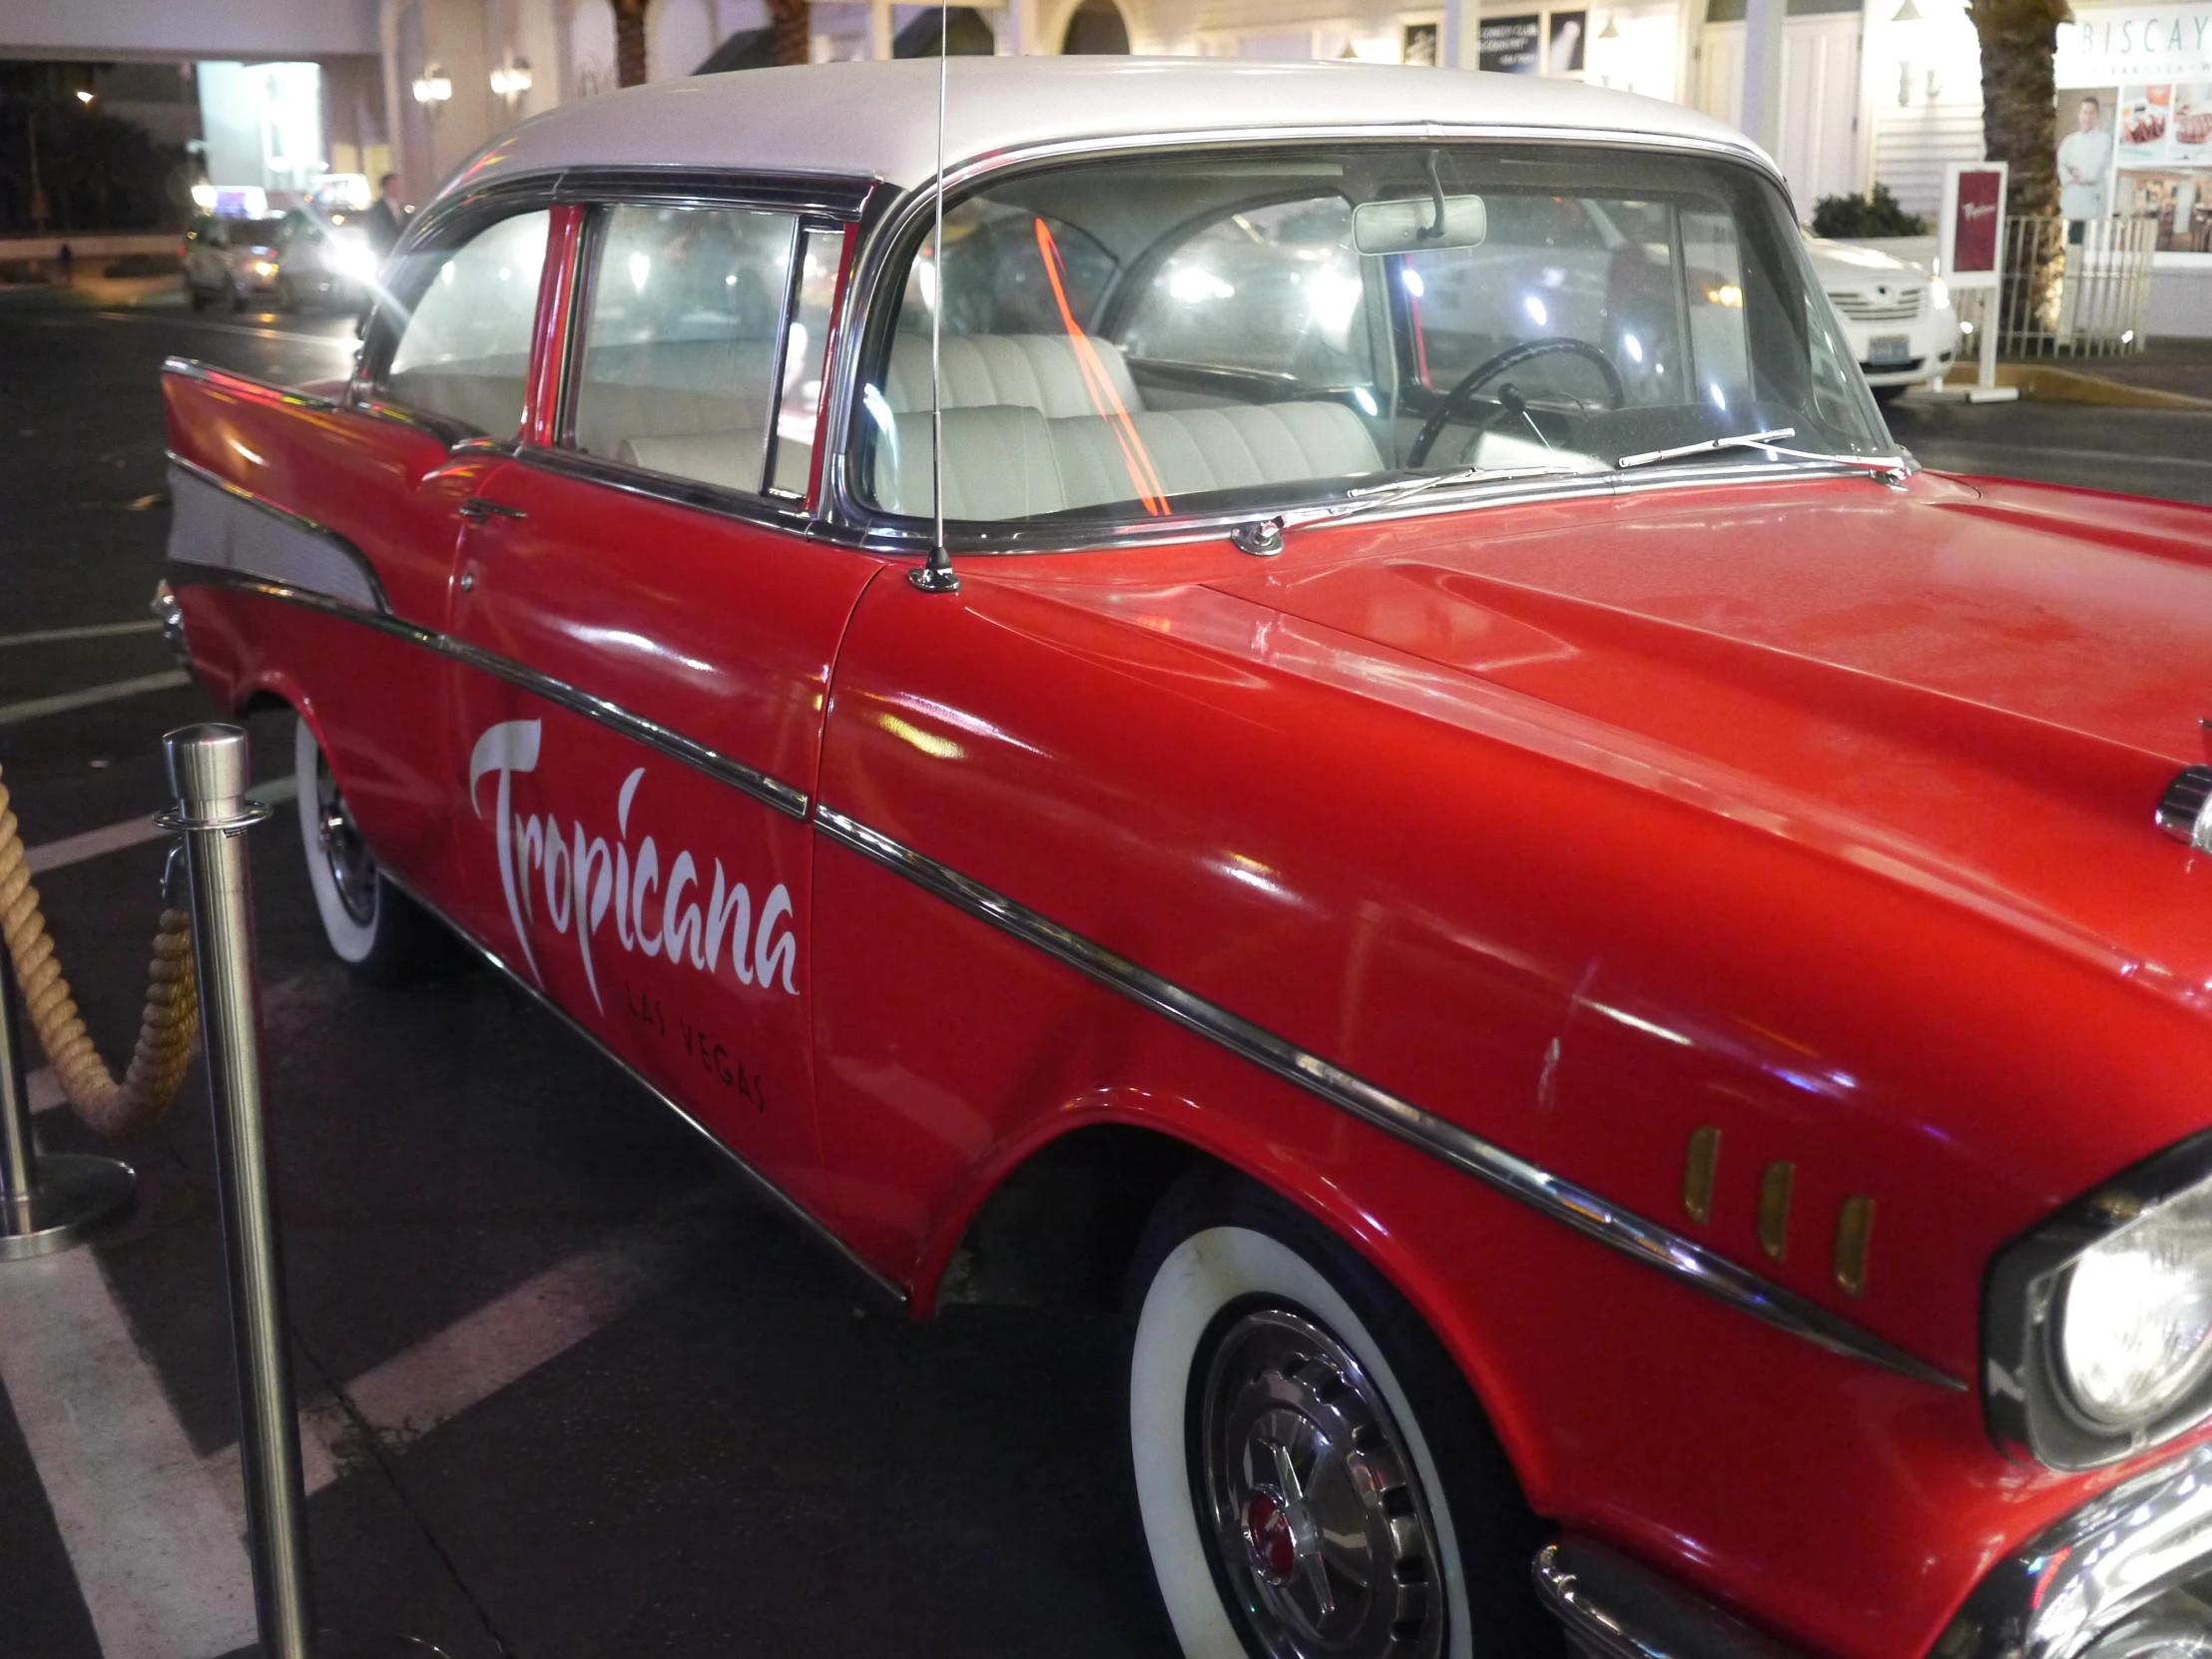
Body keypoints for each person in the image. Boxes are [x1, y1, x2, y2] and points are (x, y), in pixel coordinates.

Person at [2058, 96, 2112, 223]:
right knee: (2074, 240)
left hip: (2093, 202)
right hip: (2072, 200)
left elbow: (2096, 169)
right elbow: (2062, 166)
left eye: (2091, 113)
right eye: (2084, 113)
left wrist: (2081, 176)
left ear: (2097, 117)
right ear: (2079, 115)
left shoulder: (2104, 140)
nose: (2087, 118)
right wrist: (2071, 177)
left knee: (2092, 239)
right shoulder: (2069, 141)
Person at [364, 173, 409, 259]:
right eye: (393, 185)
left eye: (398, 185)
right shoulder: (377, 209)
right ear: (384, 188)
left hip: (401, 252)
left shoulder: (402, 207)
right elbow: (375, 231)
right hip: (385, 253)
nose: (397, 188)